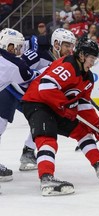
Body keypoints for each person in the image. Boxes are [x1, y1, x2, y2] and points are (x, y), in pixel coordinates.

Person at [21, 37, 99, 196]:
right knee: (47, 138)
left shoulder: (88, 77)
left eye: (95, 59)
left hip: (57, 106)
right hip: (37, 102)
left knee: (83, 132)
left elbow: (84, 106)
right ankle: (46, 178)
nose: (92, 63)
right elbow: (46, 86)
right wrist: (66, 106)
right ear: (81, 56)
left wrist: (98, 126)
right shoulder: (68, 66)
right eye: (91, 58)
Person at [0, 28, 76, 174]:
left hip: (29, 95)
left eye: (72, 46)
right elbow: (18, 70)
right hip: (10, 90)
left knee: (43, 116)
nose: (69, 50)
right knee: (0, 124)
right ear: (56, 44)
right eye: (67, 45)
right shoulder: (37, 54)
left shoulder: (64, 61)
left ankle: (28, 152)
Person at [0, 28, 37, 182]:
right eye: (18, 47)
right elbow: (31, 79)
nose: (20, 50)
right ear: (9, 46)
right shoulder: (15, 64)